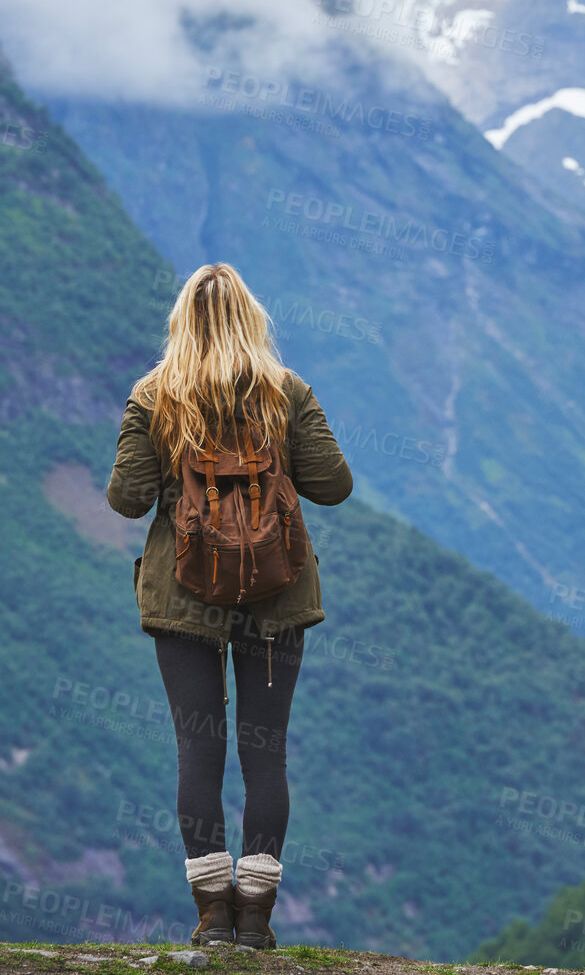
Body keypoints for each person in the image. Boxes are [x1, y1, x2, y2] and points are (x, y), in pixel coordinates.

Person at [107, 262, 353, 948]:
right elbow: (333, 484)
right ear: (253, 319)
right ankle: (255, 919)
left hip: (183, 594)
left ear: (181, 321)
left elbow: (127, 498)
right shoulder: (286, 393)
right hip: (276, 595)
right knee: (264, 754)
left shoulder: (155, 396)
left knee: (199, 747)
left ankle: (212, 917)